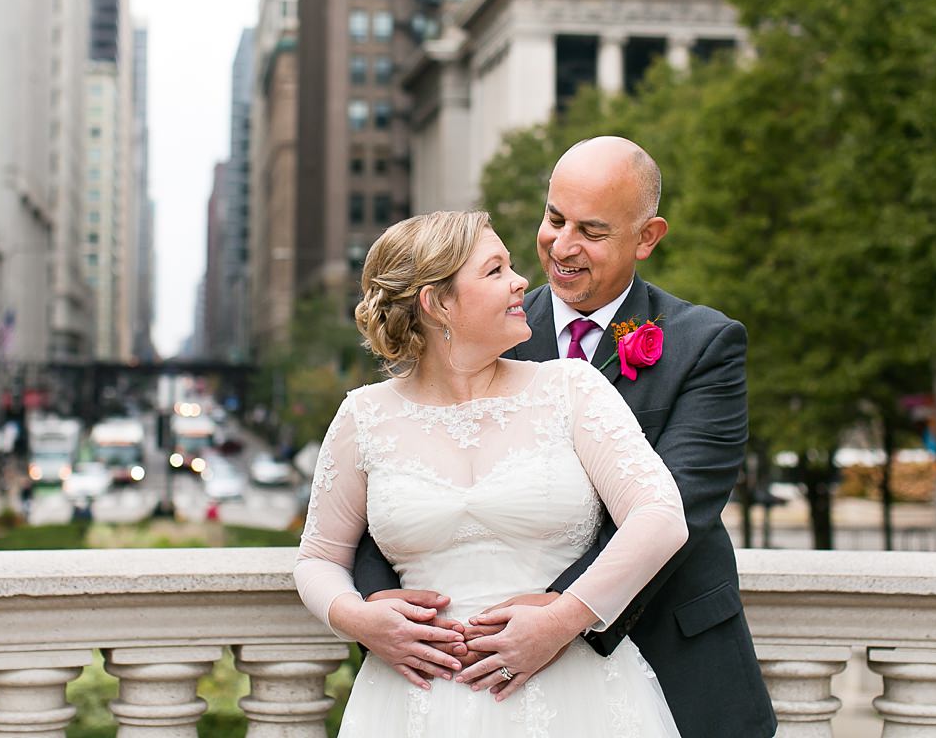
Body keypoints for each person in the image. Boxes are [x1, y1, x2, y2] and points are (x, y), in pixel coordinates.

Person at [352, 137, 776, 738]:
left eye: (593, 231)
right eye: (554, 219)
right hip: (479, 677)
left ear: (647, 237)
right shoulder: (483, 329)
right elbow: (396, 477)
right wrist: (378, 605)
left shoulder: (705, 345)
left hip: (673, 659)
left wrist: (554, 619)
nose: (562, 247)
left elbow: (678, 507)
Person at [295, 210, 689, 735]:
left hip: (573, 697)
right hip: (414, 704)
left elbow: (661, 516)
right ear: (437, 304)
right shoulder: (364, 417)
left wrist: (561, 620)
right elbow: (318, 558)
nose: (522, 280)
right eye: (495, 270)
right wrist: (358, 619)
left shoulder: (571, 389)